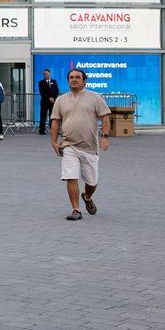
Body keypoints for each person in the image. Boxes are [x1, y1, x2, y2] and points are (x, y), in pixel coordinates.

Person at [50, 69, 111, 221]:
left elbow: (105, 117)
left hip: (89, 147)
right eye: (71, 77)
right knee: (71, 177)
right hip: (69, 145)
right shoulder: (61, 100)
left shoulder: (95, 97)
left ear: (84, 81)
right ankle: (75, 210)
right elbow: (55, 121)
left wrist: (104, 136)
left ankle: (87, 197)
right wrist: (53, 141)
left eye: (78, 77)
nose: (74, 80)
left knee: (92, 182)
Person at [38, 69, 60, 135]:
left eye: (46, 74)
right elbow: (42, 93)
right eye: (44, 74)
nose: (45, 75)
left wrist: (53, 98)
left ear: (49, 74)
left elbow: (57, 91)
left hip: (52, 102)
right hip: (44, 102)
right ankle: (42, 130)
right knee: (43, 116)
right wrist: (49, 98)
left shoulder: (54, 81)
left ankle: (53, 130)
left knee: (52, 116)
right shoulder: (41, 82)